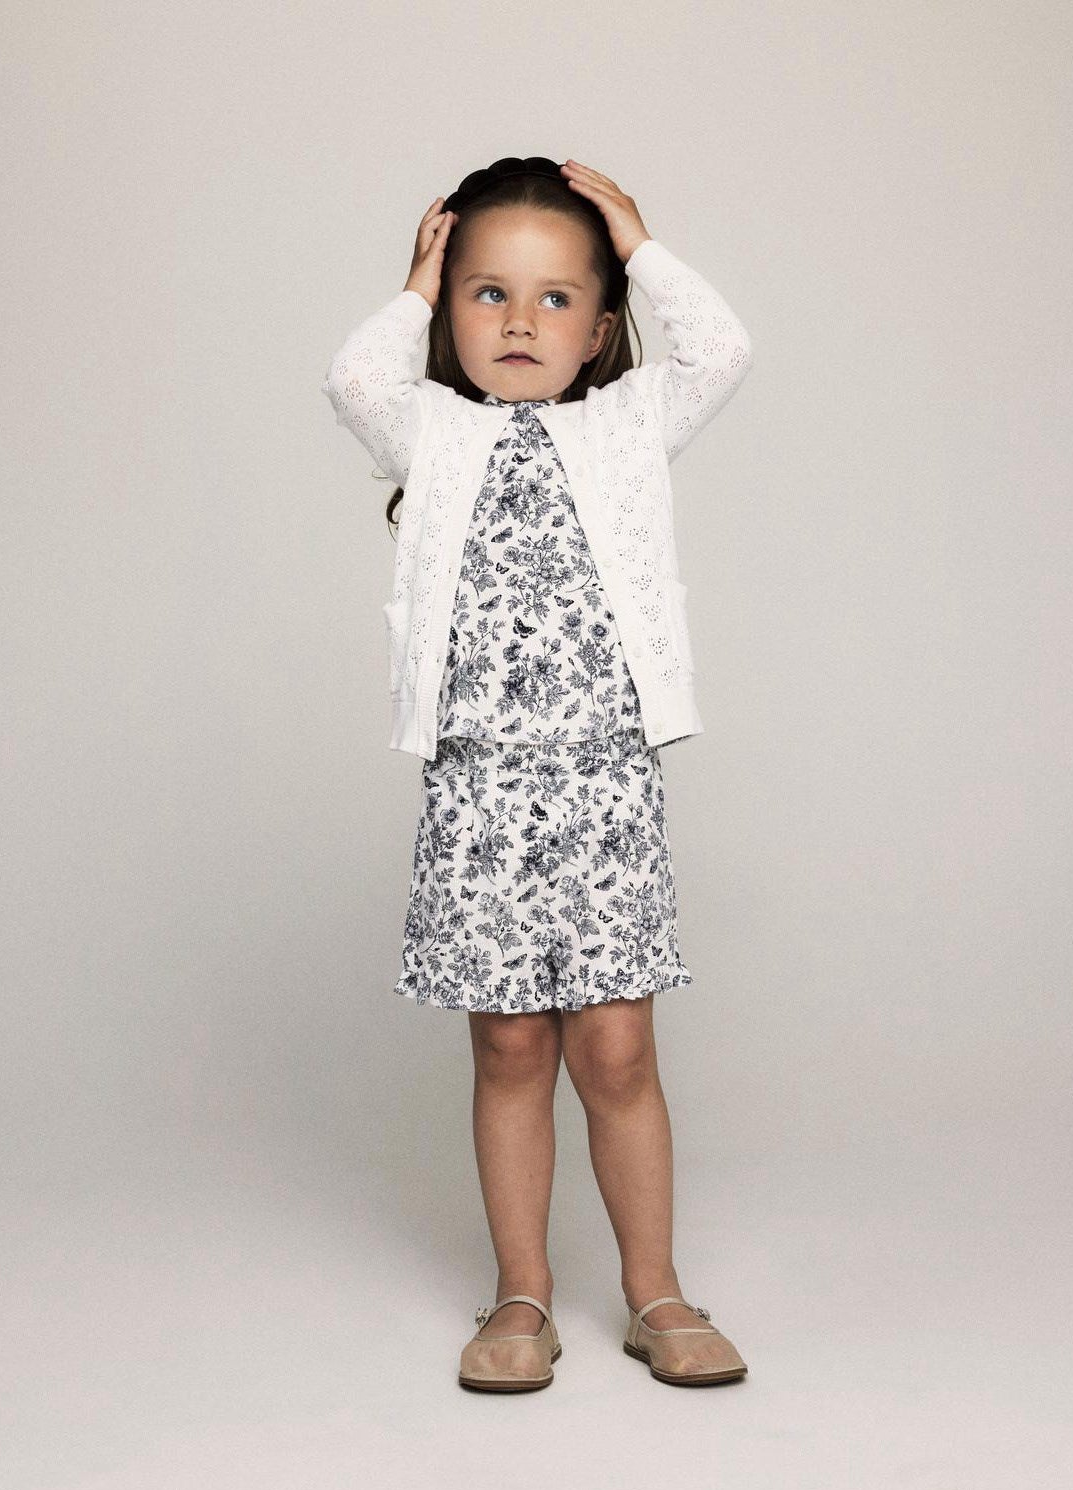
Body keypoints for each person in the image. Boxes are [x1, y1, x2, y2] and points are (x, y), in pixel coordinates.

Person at [321, 156, 754, 1391]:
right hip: (481, 795)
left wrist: (638, 241)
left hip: (607, 790)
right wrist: (414, 285)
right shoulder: (431, 428)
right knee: (511, 1048)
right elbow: (353, 378)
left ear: (602, 327)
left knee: (616, 1052)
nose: (520, 321)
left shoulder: (626, 425)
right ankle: (521, 1295)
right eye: (488, 293)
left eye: (558, 297)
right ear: (451, 315)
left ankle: (656, 1292)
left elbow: (721, 350)